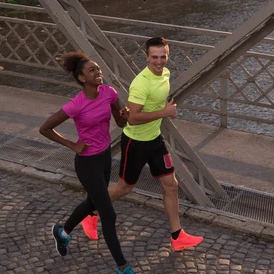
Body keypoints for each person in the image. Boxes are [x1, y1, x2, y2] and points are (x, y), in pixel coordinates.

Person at [81, 37, 204, 252]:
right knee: (124, 187)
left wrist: (166, 109)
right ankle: (89, 214)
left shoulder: (165, 74)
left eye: (163, 56)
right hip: (135, 143)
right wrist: (164, 113)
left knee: (171, 185)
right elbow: (133, 118)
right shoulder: (140, 83)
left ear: (168, 55)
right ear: (147, 57)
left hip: (154, 140)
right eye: (154, 57)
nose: (159, 61)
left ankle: (177, 236)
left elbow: (158, 103)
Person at [39, 51, 146, 274]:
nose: (98, 73)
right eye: (92, 71)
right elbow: (44, 128)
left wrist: (124, 116)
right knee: (108, 214)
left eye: (98, 69)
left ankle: (63, 232)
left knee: (91, 203)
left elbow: (120, 123)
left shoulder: (109, 93)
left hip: (106, 157)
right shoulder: (76, 104)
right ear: (80, 78)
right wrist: (72, 144)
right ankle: (122, 269)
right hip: (86, 163)